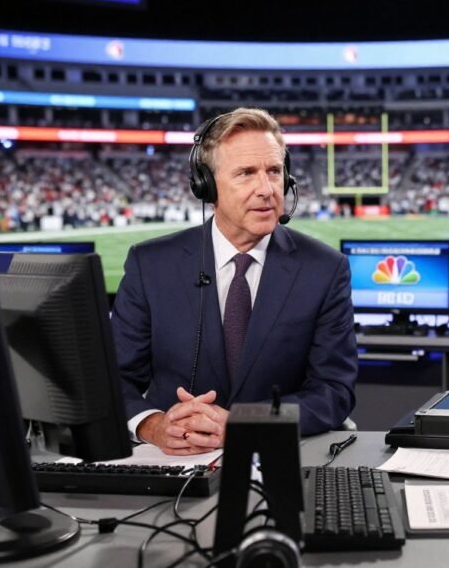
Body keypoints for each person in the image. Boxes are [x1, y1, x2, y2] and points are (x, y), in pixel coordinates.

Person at [111, 107, 357, 455]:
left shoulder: (325, 269)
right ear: (206, 186)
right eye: (245, 173)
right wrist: (153, 425)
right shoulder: (150, 264)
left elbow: (333, 390)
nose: (266, 189)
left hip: (276, 459)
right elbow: (113, 381)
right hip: (173, 461)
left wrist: (246, 424)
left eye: (274, 171)